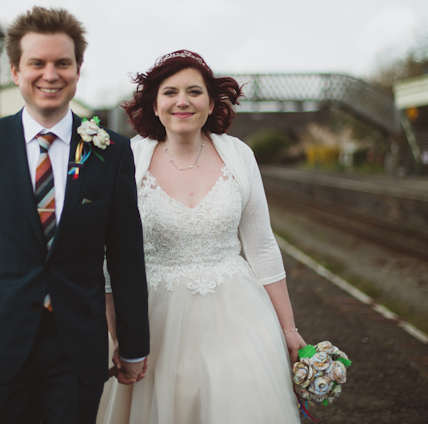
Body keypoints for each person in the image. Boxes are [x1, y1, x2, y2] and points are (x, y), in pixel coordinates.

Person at [0, 7, 150, 424]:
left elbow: (126, 257)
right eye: (37, 63)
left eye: (62, 63)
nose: (50, 74)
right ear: (15, 71)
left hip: (77, 347)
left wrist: (133, 344)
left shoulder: (111, 152)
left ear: (78, 69)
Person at [98, 50, 306, 424]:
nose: (182, 101)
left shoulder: (239, 155)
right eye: (170, 92)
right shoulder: (128, 159)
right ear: (155, 104)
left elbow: (261, 246)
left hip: (237, 315)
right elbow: (110, 257)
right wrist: (119, 338)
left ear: (211, 104)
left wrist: (289, 330)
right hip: (152, 318)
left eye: (194, 92)